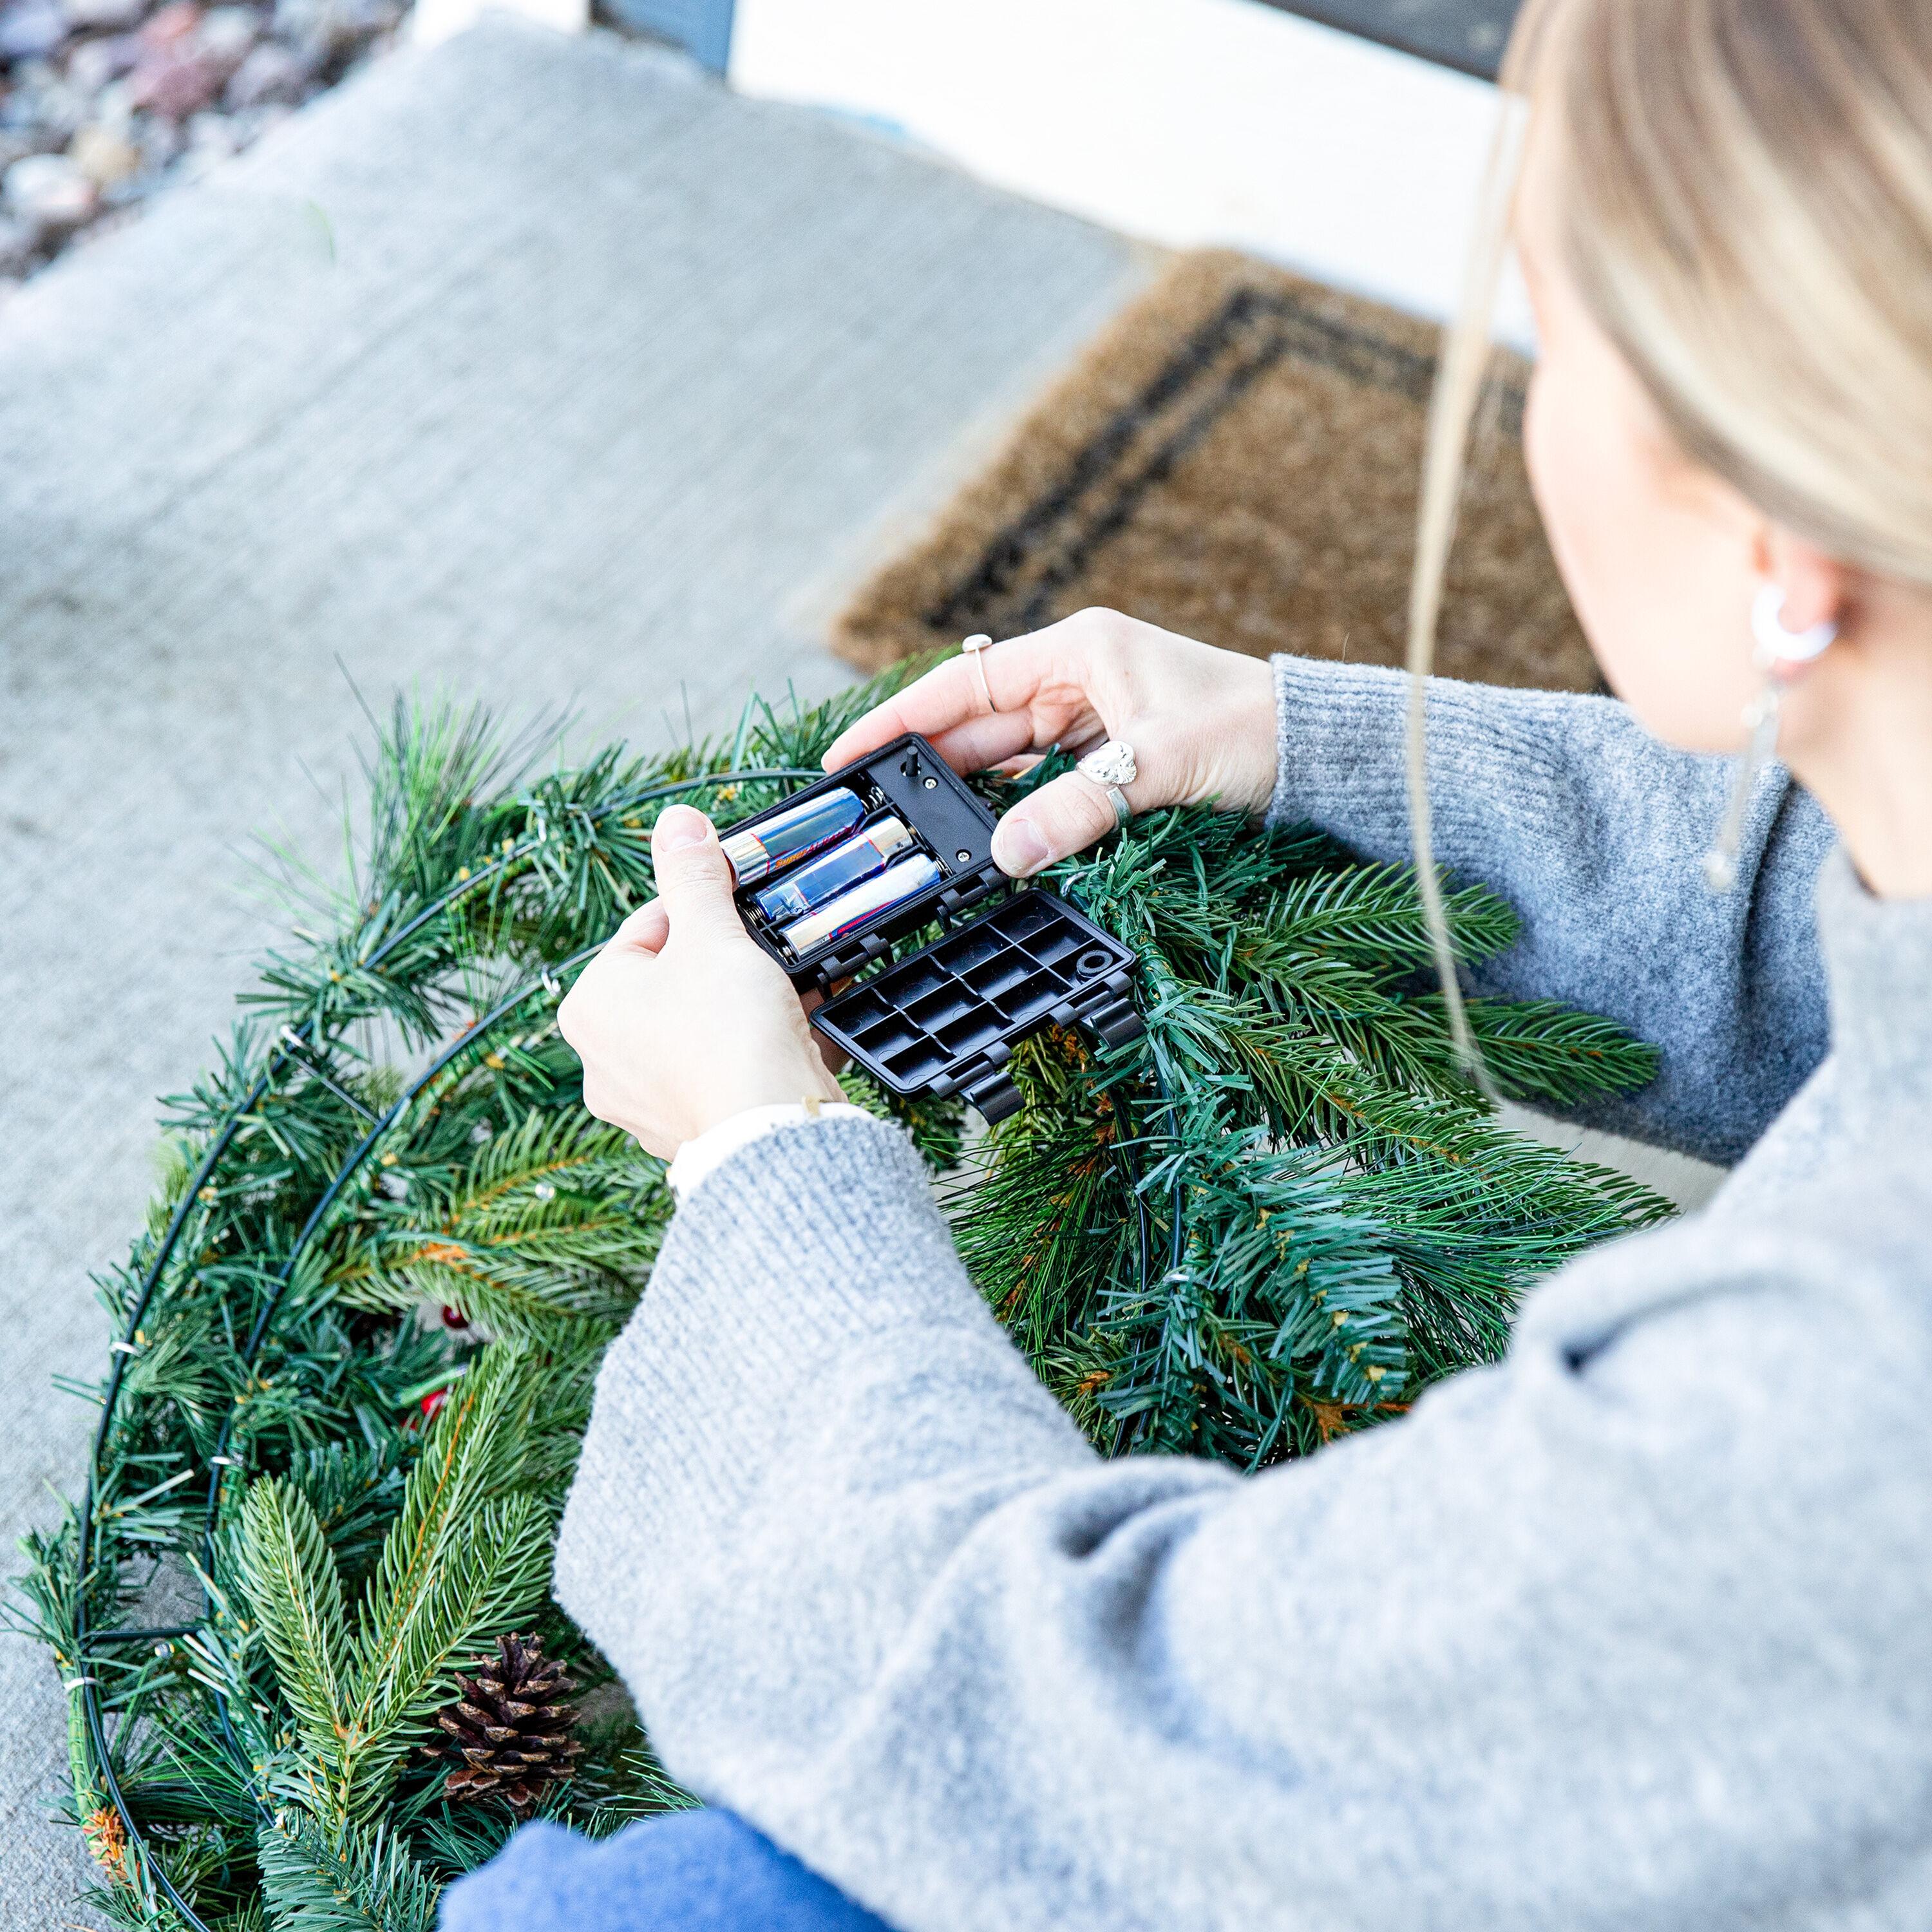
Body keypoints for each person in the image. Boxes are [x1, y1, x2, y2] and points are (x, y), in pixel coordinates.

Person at [442, 1, 1932, 1926]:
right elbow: (1826, 883)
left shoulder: (1834, 1414)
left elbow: (1113, 1750)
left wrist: (753, 1164)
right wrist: (1294, 742)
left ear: (1781, 550)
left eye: (1567, 347)